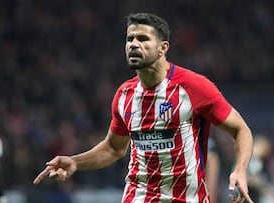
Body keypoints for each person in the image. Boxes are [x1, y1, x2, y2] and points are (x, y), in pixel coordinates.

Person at [34, 13, 254, 203]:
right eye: (130, 39)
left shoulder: (193, 87)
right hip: (138, 196)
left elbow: (241, 130)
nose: (133, 44)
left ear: (163, 48)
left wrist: (240, 170)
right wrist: (75, 161)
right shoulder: (124, 95)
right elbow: (113, 148)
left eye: (143, 38)